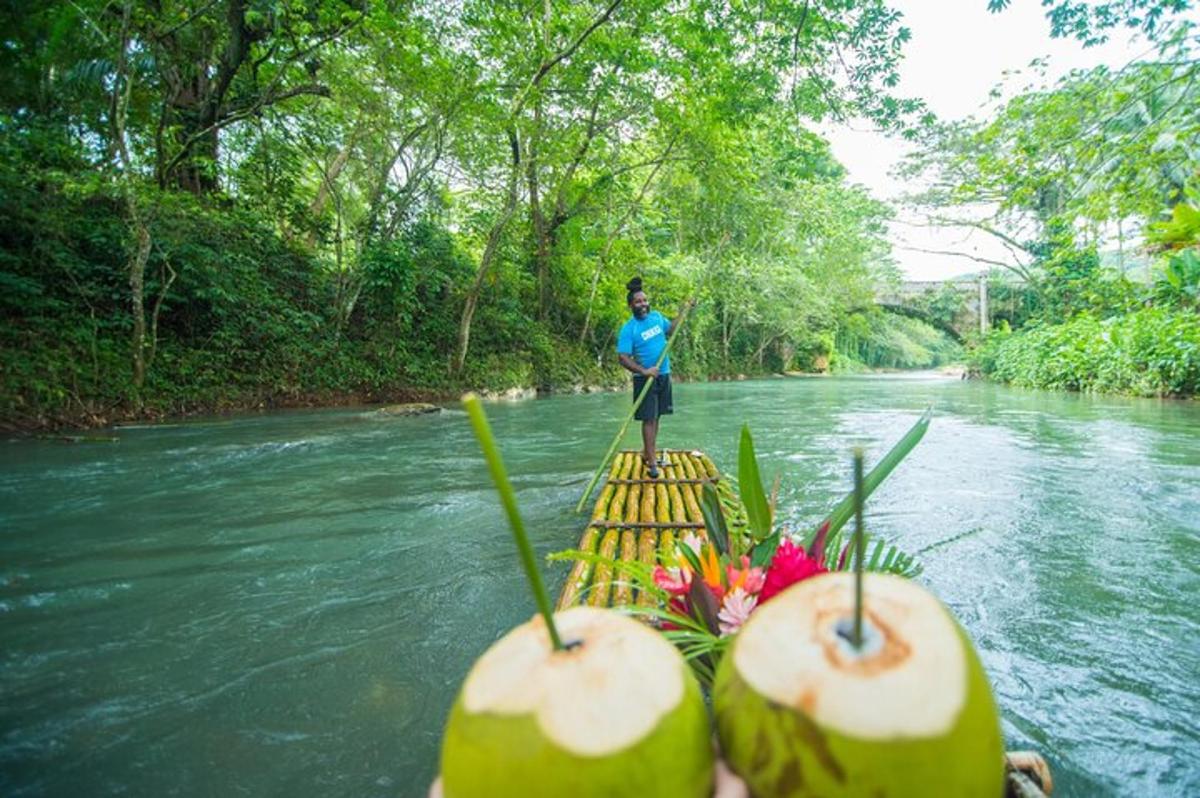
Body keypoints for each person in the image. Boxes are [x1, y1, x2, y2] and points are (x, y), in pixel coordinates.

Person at [616, 276, 676, 479]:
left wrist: (685, 312)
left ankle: (646, 452)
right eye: (638, 302)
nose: (643, 304)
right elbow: (623, 358)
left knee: (657, 416)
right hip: (645, 379)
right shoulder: (629, 328)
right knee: (649, 420)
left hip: (663, 374)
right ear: (631, 305)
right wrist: (643, 371)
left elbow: (671, 329)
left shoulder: (658, 317)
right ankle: (651, 461)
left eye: (644, 300)